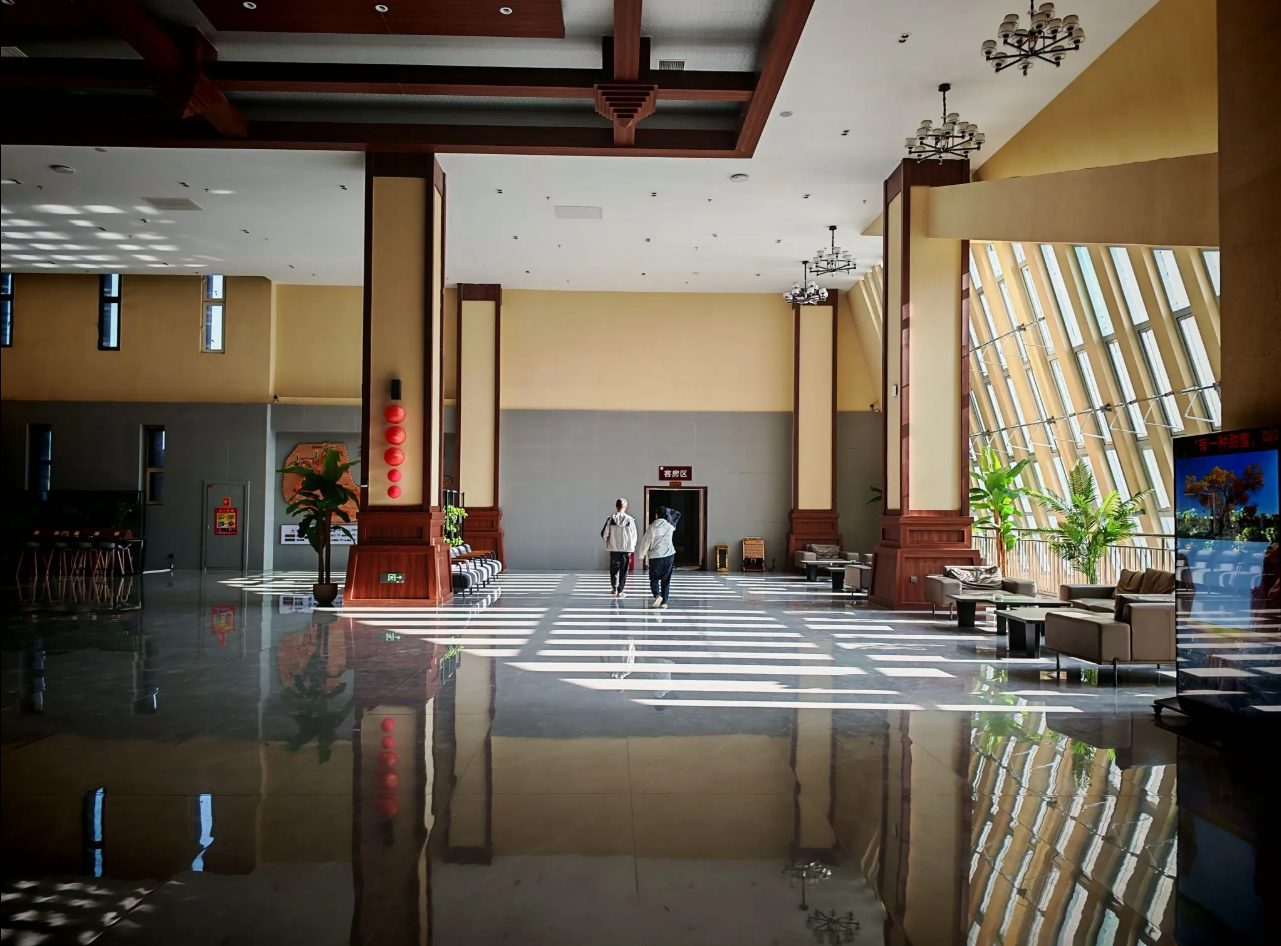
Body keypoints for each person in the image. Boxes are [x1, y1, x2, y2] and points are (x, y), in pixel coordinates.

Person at [636, 506, 677, 608]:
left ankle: (657, 595)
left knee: (654, 578)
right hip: (669, 555)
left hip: (655, 557)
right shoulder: (670, 526)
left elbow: (646, 542)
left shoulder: (652, 527)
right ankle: (664, 602)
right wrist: (669, 512)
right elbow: (677, 514)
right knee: (666, 580)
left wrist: (641, 555)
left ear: (656, 515)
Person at [600, 497, 637, 598]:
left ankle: (614, 588)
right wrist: (632, 547)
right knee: (624, 570)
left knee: (614, 569)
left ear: (616, 507)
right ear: (626, 507)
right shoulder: (630, 520)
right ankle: (620, 591)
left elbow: (604, 534)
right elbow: (634, 536)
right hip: (626, 549)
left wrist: (609, 541)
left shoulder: (611, 519)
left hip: (614, 549)